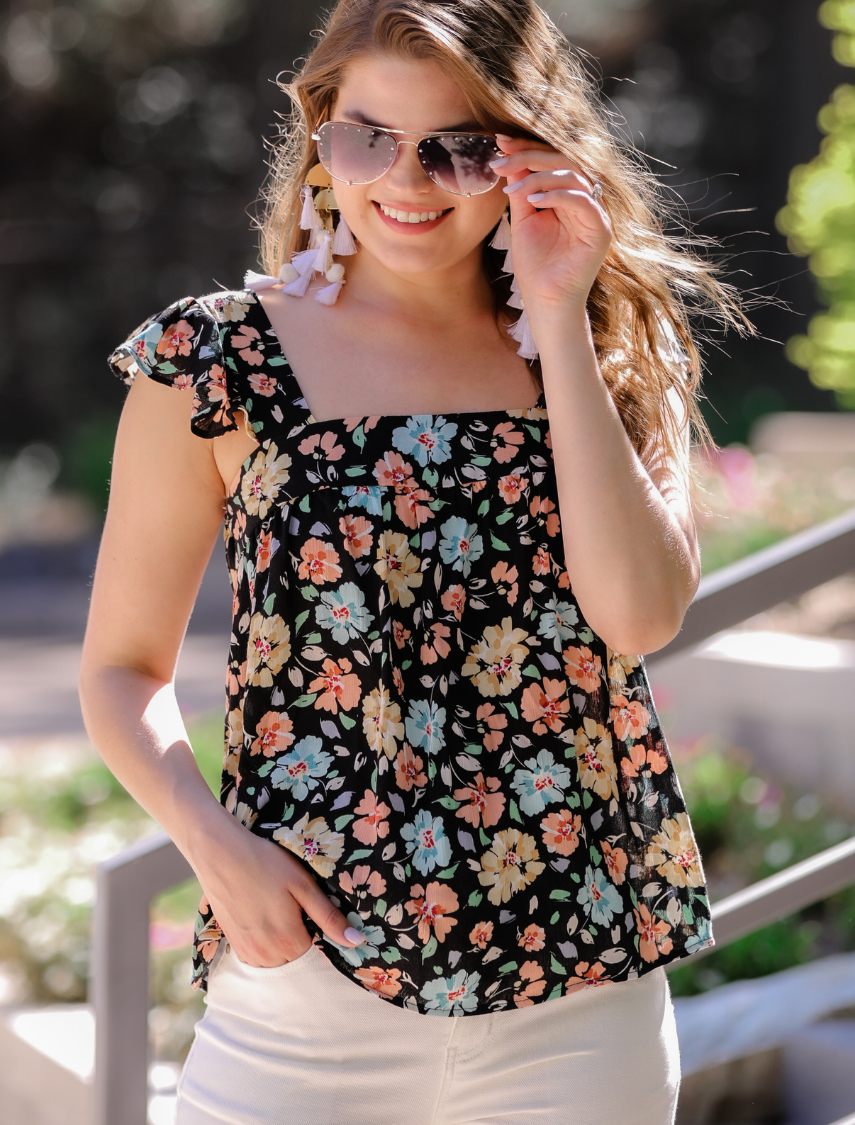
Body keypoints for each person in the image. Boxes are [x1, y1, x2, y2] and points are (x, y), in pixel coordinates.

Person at [80, 0, 745, 1120]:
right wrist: (215, 850)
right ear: (321, 136)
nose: (411, 179)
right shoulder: (214, 361)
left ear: (530, 154)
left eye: (461, 145)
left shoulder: (623, 340)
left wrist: (558, 311)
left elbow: (634, 616)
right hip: (309, 990)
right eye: (369, 137)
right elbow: (120, 671)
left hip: (581, 989)